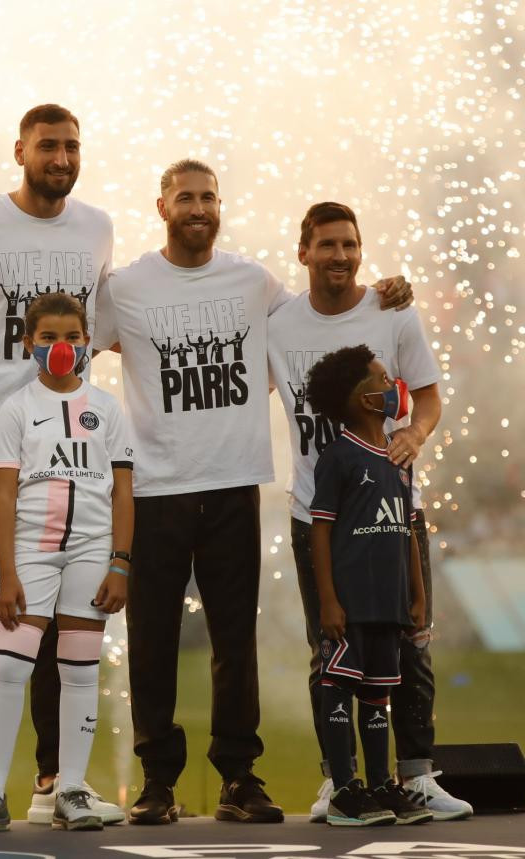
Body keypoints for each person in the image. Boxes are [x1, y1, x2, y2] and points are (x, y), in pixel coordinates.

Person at [93, 160, 412, 826]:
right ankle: (157, 781)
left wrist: (382, 291)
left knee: (234, 644)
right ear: (162, 207)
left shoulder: (254, 282)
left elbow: (319, 321)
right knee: (151, 642)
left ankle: (239, 775)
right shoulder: (124, 287)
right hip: (155, 489)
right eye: (186, 197)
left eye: (209, 197)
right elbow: (64, 340)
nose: (200, 207)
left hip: (235, 484)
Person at [0, 104, 122, 827]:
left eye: (72, 144)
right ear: (20, 151)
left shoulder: (96, 227)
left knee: (59, 609)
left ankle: (50, 781)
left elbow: (106, 324)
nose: (61, 156)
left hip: (62, 450)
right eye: (48, 145)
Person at [266, 202, 472, 822]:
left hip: (394, 513)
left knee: (410, 643)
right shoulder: (276, 322)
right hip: (318, 516)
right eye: (327, 245)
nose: (340, 256)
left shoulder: (393, 310)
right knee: (328, 647)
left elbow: (430, 397)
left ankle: (415, 776)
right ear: (303, 252)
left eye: (350, 245)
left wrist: (417, 435)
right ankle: (340, 780)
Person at [0, 292, 134, 833]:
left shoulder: (109, 408)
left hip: (91, 552)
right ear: (28, 344)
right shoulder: (16, 408)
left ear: (87, 344)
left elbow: (124, 493)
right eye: (48, 337)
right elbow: (2, 498)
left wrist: (120, 562)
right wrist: (6, 574)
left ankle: (70, 790)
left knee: (78, 671)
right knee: (8, 667)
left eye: (72, 337)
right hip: (31, 551)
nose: (62, 347)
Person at [304, 344, 432, 826]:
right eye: (380, 380)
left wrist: (417, 594)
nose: (391, 385)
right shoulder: (338, 456)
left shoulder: (399, 456)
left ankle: (381, 785)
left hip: (389, 602)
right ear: (360, 399)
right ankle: (344, 791)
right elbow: (320, 530)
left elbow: (406, 531)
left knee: (379, 694)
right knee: (338, 685)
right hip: (351, 604)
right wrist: (329, 601)